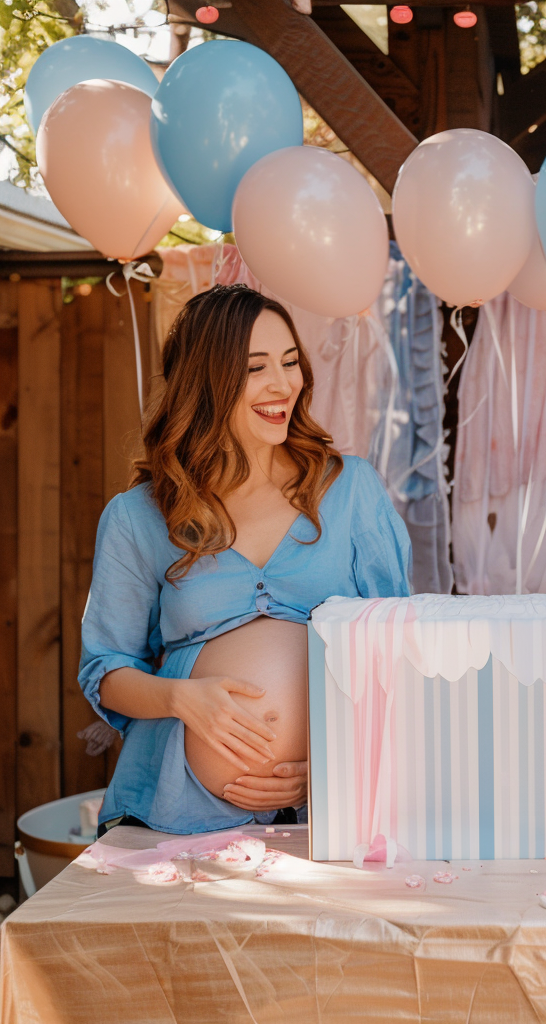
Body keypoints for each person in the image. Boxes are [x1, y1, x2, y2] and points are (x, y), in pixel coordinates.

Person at [79, 284, 411, 836]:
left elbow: (398, 653)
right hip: (174, 817)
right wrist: (183, 699)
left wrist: (333, 770)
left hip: (328, 812)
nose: (284, 384)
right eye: (256, 368)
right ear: (206, 381)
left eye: (290, 362)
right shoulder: (138, 516)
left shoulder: (352, 491)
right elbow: (106, 670)